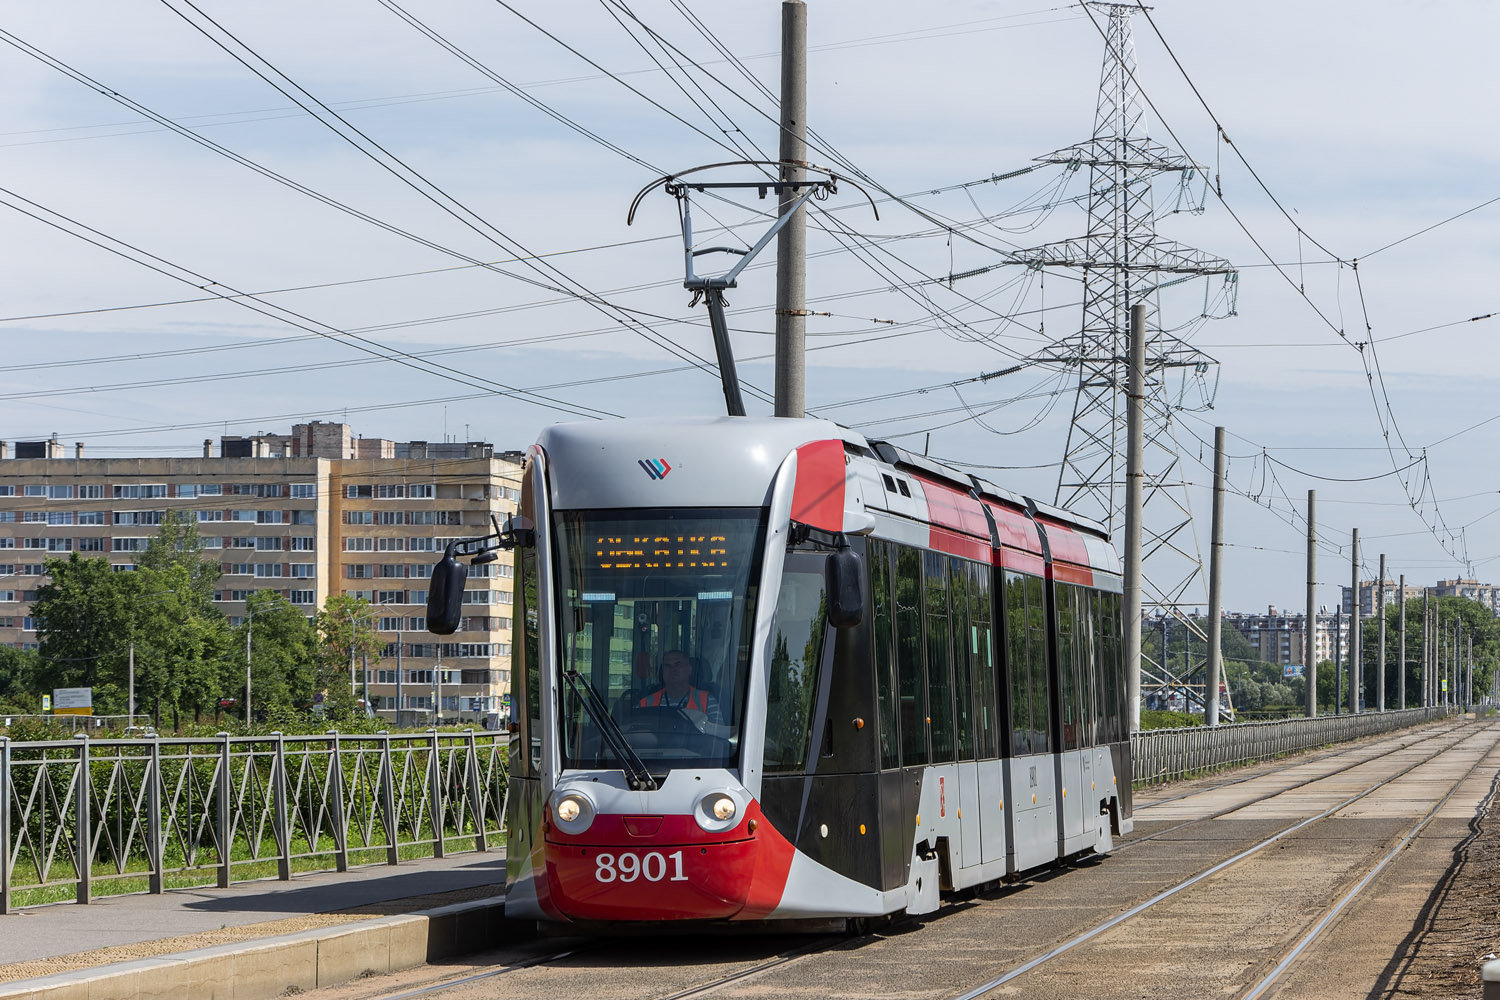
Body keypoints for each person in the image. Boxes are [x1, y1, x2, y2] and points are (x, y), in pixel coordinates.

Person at [639, 649, 717, 720]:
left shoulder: (707, 701)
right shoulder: (646, 703)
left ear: (689, 670)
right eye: (667, 666)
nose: (673, 669)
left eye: (678, 664)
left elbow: (719, 734)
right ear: (662, 672)